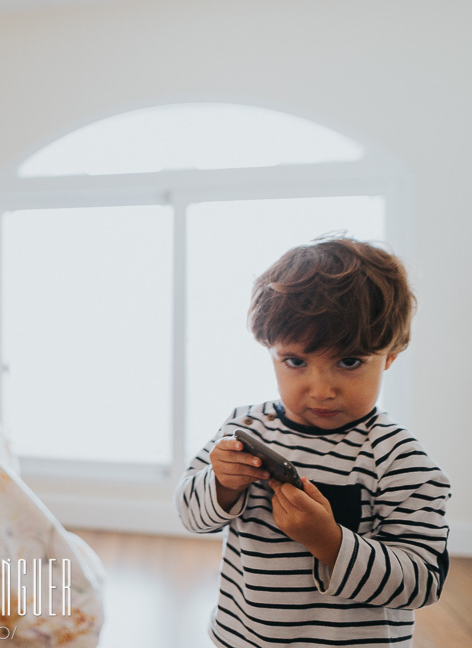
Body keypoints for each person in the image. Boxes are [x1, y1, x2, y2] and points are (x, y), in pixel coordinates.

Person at [175, 236, 450, 647]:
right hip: (242, 638)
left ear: (390, 356)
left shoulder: (400, 460)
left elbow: (422, 583)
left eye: (349, 361)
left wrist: (330, 542)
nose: (320, 390)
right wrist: (221, 484)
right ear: (271, 353)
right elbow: (189, 514)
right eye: (296, 362)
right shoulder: (246, 425)